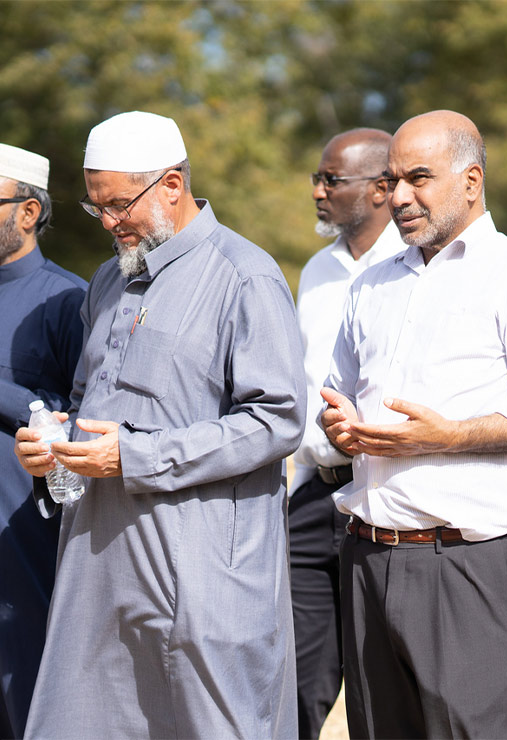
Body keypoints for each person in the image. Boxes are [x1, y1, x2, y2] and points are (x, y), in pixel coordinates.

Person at [14, 111, 306, 738]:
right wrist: (54, 446)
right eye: (98, 210)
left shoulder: (244, 277)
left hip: (202, 567)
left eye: (121, 205)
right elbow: (85, 399)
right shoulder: (106, 281)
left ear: (172, 184)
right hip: (99, 558)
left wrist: (136, 457)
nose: (111, 223)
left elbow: (277, 422)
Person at [320, 109, 507, 739]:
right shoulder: (372, 284)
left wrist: (445, 437)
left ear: (471, 180)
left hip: (467, 563)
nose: (400, 197)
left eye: (418, 178)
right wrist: (341, 426)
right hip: (367, 556)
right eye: (392, 180)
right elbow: (337, 394)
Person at [290, 127, 404, 739]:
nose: (318, 189)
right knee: (295, 682)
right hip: (312, 497)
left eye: (332, 179)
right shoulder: (316, 270)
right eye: (319, 177)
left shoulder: (417, 266)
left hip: (387, 496)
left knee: (380, 685)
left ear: (383, 189)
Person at [0, 143, 85, 739]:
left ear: (27, 213)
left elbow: (84, 419)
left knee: (25, 698)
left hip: (24, 537)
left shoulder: (68, 299)